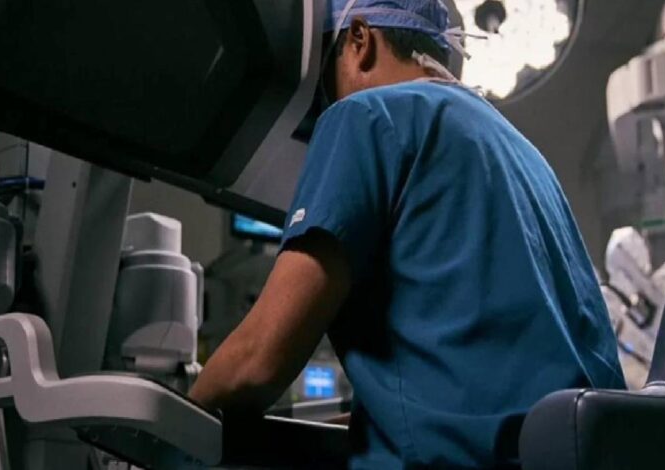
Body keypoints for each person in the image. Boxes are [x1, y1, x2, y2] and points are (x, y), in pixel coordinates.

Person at [189, 0, 626, 468]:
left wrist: (165, 425)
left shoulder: (365, 115)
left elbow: (257, 362)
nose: (327, 102)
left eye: (326, 75)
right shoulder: (526, 155)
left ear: (359, 39)